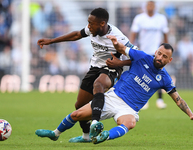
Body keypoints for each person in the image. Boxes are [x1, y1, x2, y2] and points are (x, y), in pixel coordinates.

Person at [35, 35, 193, 144]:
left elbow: (178, 99)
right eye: (159, 53)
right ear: (156, 52)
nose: (160, 58)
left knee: (130, 123)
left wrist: (191, 114)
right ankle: (55, 134)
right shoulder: (142, 56)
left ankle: (105, 136)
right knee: (77, 114)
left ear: (170, 60)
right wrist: (115, 42)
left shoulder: (165, 78)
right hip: (113, 97)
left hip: (129, 108)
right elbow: (123, 48)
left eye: (164, 56)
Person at [37, 7, 134, 143]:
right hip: (95, 67)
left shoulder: (118, 37)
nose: (88, 26)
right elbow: (76, 34)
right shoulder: (92, 30)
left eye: (91, 23)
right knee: (79, 105)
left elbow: (139, 57)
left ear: (102, 24)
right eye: (88, 22)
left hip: (111, 67)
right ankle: (86, 136)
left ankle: (95, 122)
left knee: (99, 84)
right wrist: (51, 41)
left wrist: (120, 63)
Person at [130, 1, 169, 109]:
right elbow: (133, 34)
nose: (150, 7)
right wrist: (131, 49)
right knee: (143, 76)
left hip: (158, 53)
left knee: (159, 75)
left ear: (155, 7)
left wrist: (167, 51)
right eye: (148, 5)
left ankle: (160, 100)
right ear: (145, 6)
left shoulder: (161, 19)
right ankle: (143, 100)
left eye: (152, 5)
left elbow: (165, 35)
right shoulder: (139, 18)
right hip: (143, 51)